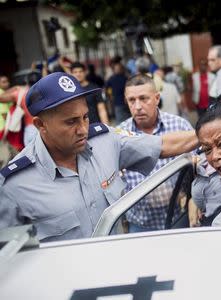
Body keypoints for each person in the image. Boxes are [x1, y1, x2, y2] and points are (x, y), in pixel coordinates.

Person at [0, 72, 198, 242]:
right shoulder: (13, 185)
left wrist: (212, 132)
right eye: (71, 122)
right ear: (40, 125)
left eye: (85, 117)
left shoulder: (105, 141)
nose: (83, 129)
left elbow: (161, 144)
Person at [117, 74, 194, 233]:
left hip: (178, 219)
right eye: (132, 100)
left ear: (157, 98)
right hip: (139, 227)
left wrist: (194, 199)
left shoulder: (180, 126)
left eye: (144, 98)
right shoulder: (119, 136)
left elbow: (200, 165)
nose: (137, 106)